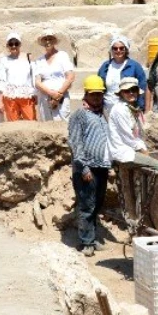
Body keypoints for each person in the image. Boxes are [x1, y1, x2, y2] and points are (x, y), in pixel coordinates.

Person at [108, 77, 158, 229]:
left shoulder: (132, 109)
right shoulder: (120, 110)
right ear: (121, 93)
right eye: (127, 91)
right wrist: (144, 152)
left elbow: (138, 135)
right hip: (125, 153)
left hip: (131, 150)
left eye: (133, 90)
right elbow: (130, 138)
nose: (131, 93)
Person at [68, 75, 112, 256]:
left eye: (99, 95)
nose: (96, 98)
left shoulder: (102, 114)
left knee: (96, 204)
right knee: (87, 205)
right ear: (86, 95)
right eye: (93, 95)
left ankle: (92, 239)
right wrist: (83, 167)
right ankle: (86, 242)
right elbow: (75, 142)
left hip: (101, 167)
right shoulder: (80, 115)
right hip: (86, 169)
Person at [0, 31, 37, 121]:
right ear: (8, 46)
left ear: (20, 44)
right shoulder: (4, 60)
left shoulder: (28, 58)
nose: (13, 46)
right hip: (10, 98)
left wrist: (36, 94)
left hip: (27, 96)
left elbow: (34, 77)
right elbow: (1, 81)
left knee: (31, 122)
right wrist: (0, 102)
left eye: (16, 43)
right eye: (11, 44)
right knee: (13, 125)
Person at [32, 29, 75, 121]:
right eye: (45, 39)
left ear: (54, 41)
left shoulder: (62, 55)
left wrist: (58, 95)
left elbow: (70, 77)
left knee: (62, 124)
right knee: (47, 126)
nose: (48, 41)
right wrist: (51, 93)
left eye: (50, 39)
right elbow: (37, 82)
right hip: (45, 98)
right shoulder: (39, 60)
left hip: (61, 97)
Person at [97, 36, 146, 112]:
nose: (118, 50)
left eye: (121, 48)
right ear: (111, 50)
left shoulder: (135, 66)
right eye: (115, 48)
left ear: (126, 49)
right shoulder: (105, 66)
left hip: (127, 109)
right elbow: (98, 87)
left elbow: (142, 87)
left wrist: (140, 107)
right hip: (107, 109)